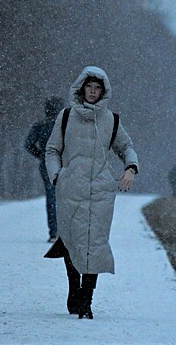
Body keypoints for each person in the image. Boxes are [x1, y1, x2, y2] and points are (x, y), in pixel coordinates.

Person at [44, 66, 139, 319]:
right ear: (81, 88)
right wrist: (57, 176)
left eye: (97, 88)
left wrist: (131, 168)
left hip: (100, 191)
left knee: (94, 242)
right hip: (70, 188)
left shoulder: (112, 120)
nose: (93, 92)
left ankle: (87, 299)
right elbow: (52, 150)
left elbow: (126, 147)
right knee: (72, 240)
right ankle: (74, 288)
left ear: (103, 91)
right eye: (89, 87)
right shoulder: (65, 117)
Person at [25, 96, 65, 243]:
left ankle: (54, 232)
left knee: (51, 196)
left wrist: (40, 155)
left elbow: (28, 144)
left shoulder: (40, 125)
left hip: (46, 164)